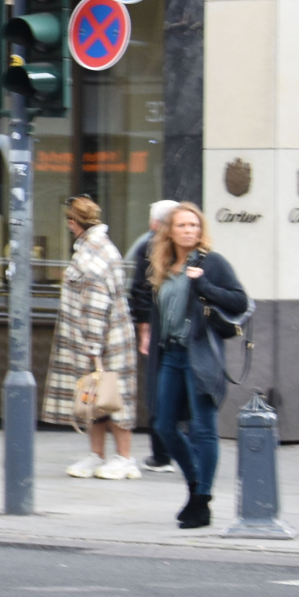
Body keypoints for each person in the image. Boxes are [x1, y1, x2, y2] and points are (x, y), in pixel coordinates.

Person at [143, 202, 252, 528]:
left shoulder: (211, 263)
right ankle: (195, 486)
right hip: (171, 355)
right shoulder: (164, 266)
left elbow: (240, 300)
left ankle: (202, 499)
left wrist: (204, 285)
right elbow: (159, 311)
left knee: (204, 429)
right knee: (163, 425)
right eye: (182, 225)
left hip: (201, 355)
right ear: (170, 231)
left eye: (194, 225)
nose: (189, 230)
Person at [50, 196, 137, 478]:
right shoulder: (96, 247)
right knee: (96, 398)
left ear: (73, 223)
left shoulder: (92, 254)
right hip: (106, 336)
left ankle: (124, 458)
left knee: (112, 396)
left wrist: (93, 348)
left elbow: (96, 304)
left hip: (104, 339)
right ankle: (98, 455)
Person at [125, 199, 179, 470]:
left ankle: (162, 453)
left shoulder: (151, 245)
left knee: (159, 389)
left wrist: (143, 329)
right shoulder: (174, 248)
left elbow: (140, 290)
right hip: (173, 328)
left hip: (162, 329)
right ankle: (167, 450)